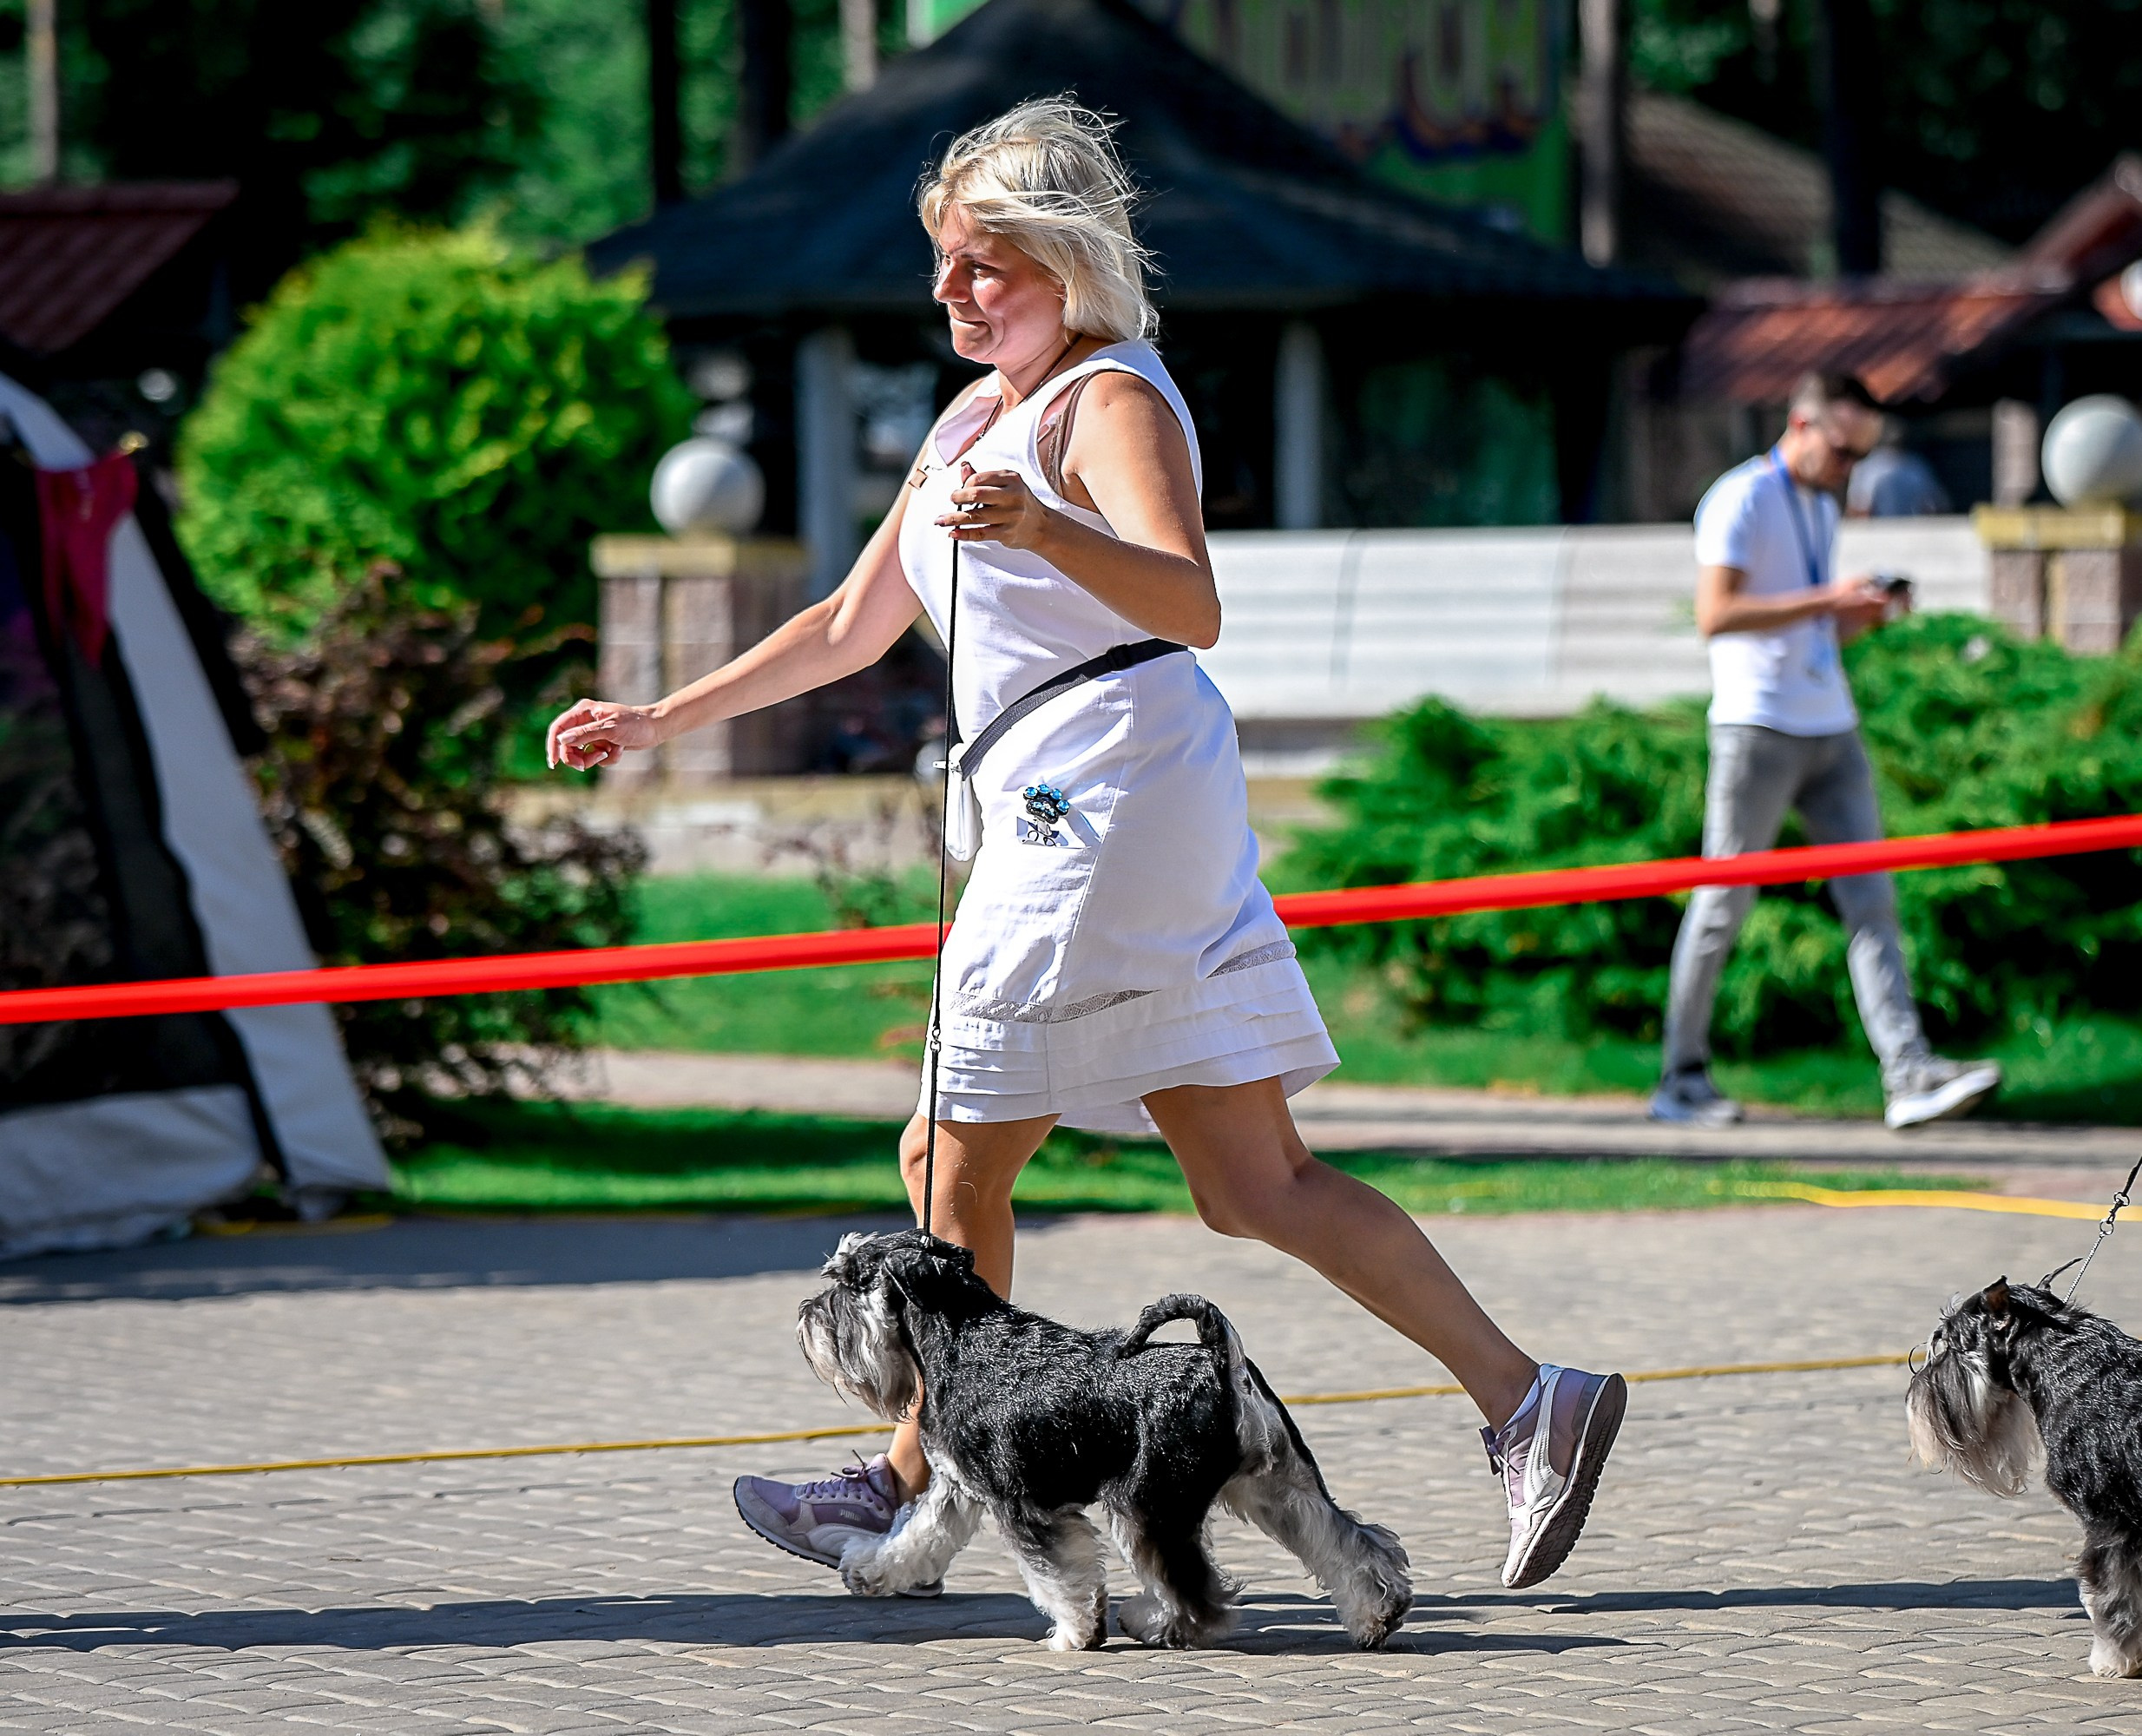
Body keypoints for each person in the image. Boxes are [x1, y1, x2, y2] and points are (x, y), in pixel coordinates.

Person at [547, 97, 1626, 1598]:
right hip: (1093, 797)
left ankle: (910, 1490)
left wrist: (1045, 532)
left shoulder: (1107, 395)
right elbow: (849, 625)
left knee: (947, 1149)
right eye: (943, 264)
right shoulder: (970, 416)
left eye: (984, 264)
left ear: (1066, 259)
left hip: (1104, 794)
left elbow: (1189, 602)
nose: (953, 292)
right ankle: (1532, 1400)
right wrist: (664, 715)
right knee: (1255, 1188)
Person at [1649, 372, 2001, 1133]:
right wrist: (1827, 600)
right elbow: (1718, 615)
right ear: (1801, 425)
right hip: (1755, 727)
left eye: (1861, 458)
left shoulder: (1817, 503)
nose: (1849, 470)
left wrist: (1864, 614)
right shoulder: (1740, 498)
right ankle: (1680, 1079)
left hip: (1829, 722)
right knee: (1722, 905)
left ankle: (1907, 1074)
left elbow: (1810, 628)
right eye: (1843, 452)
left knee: (1872, 900)